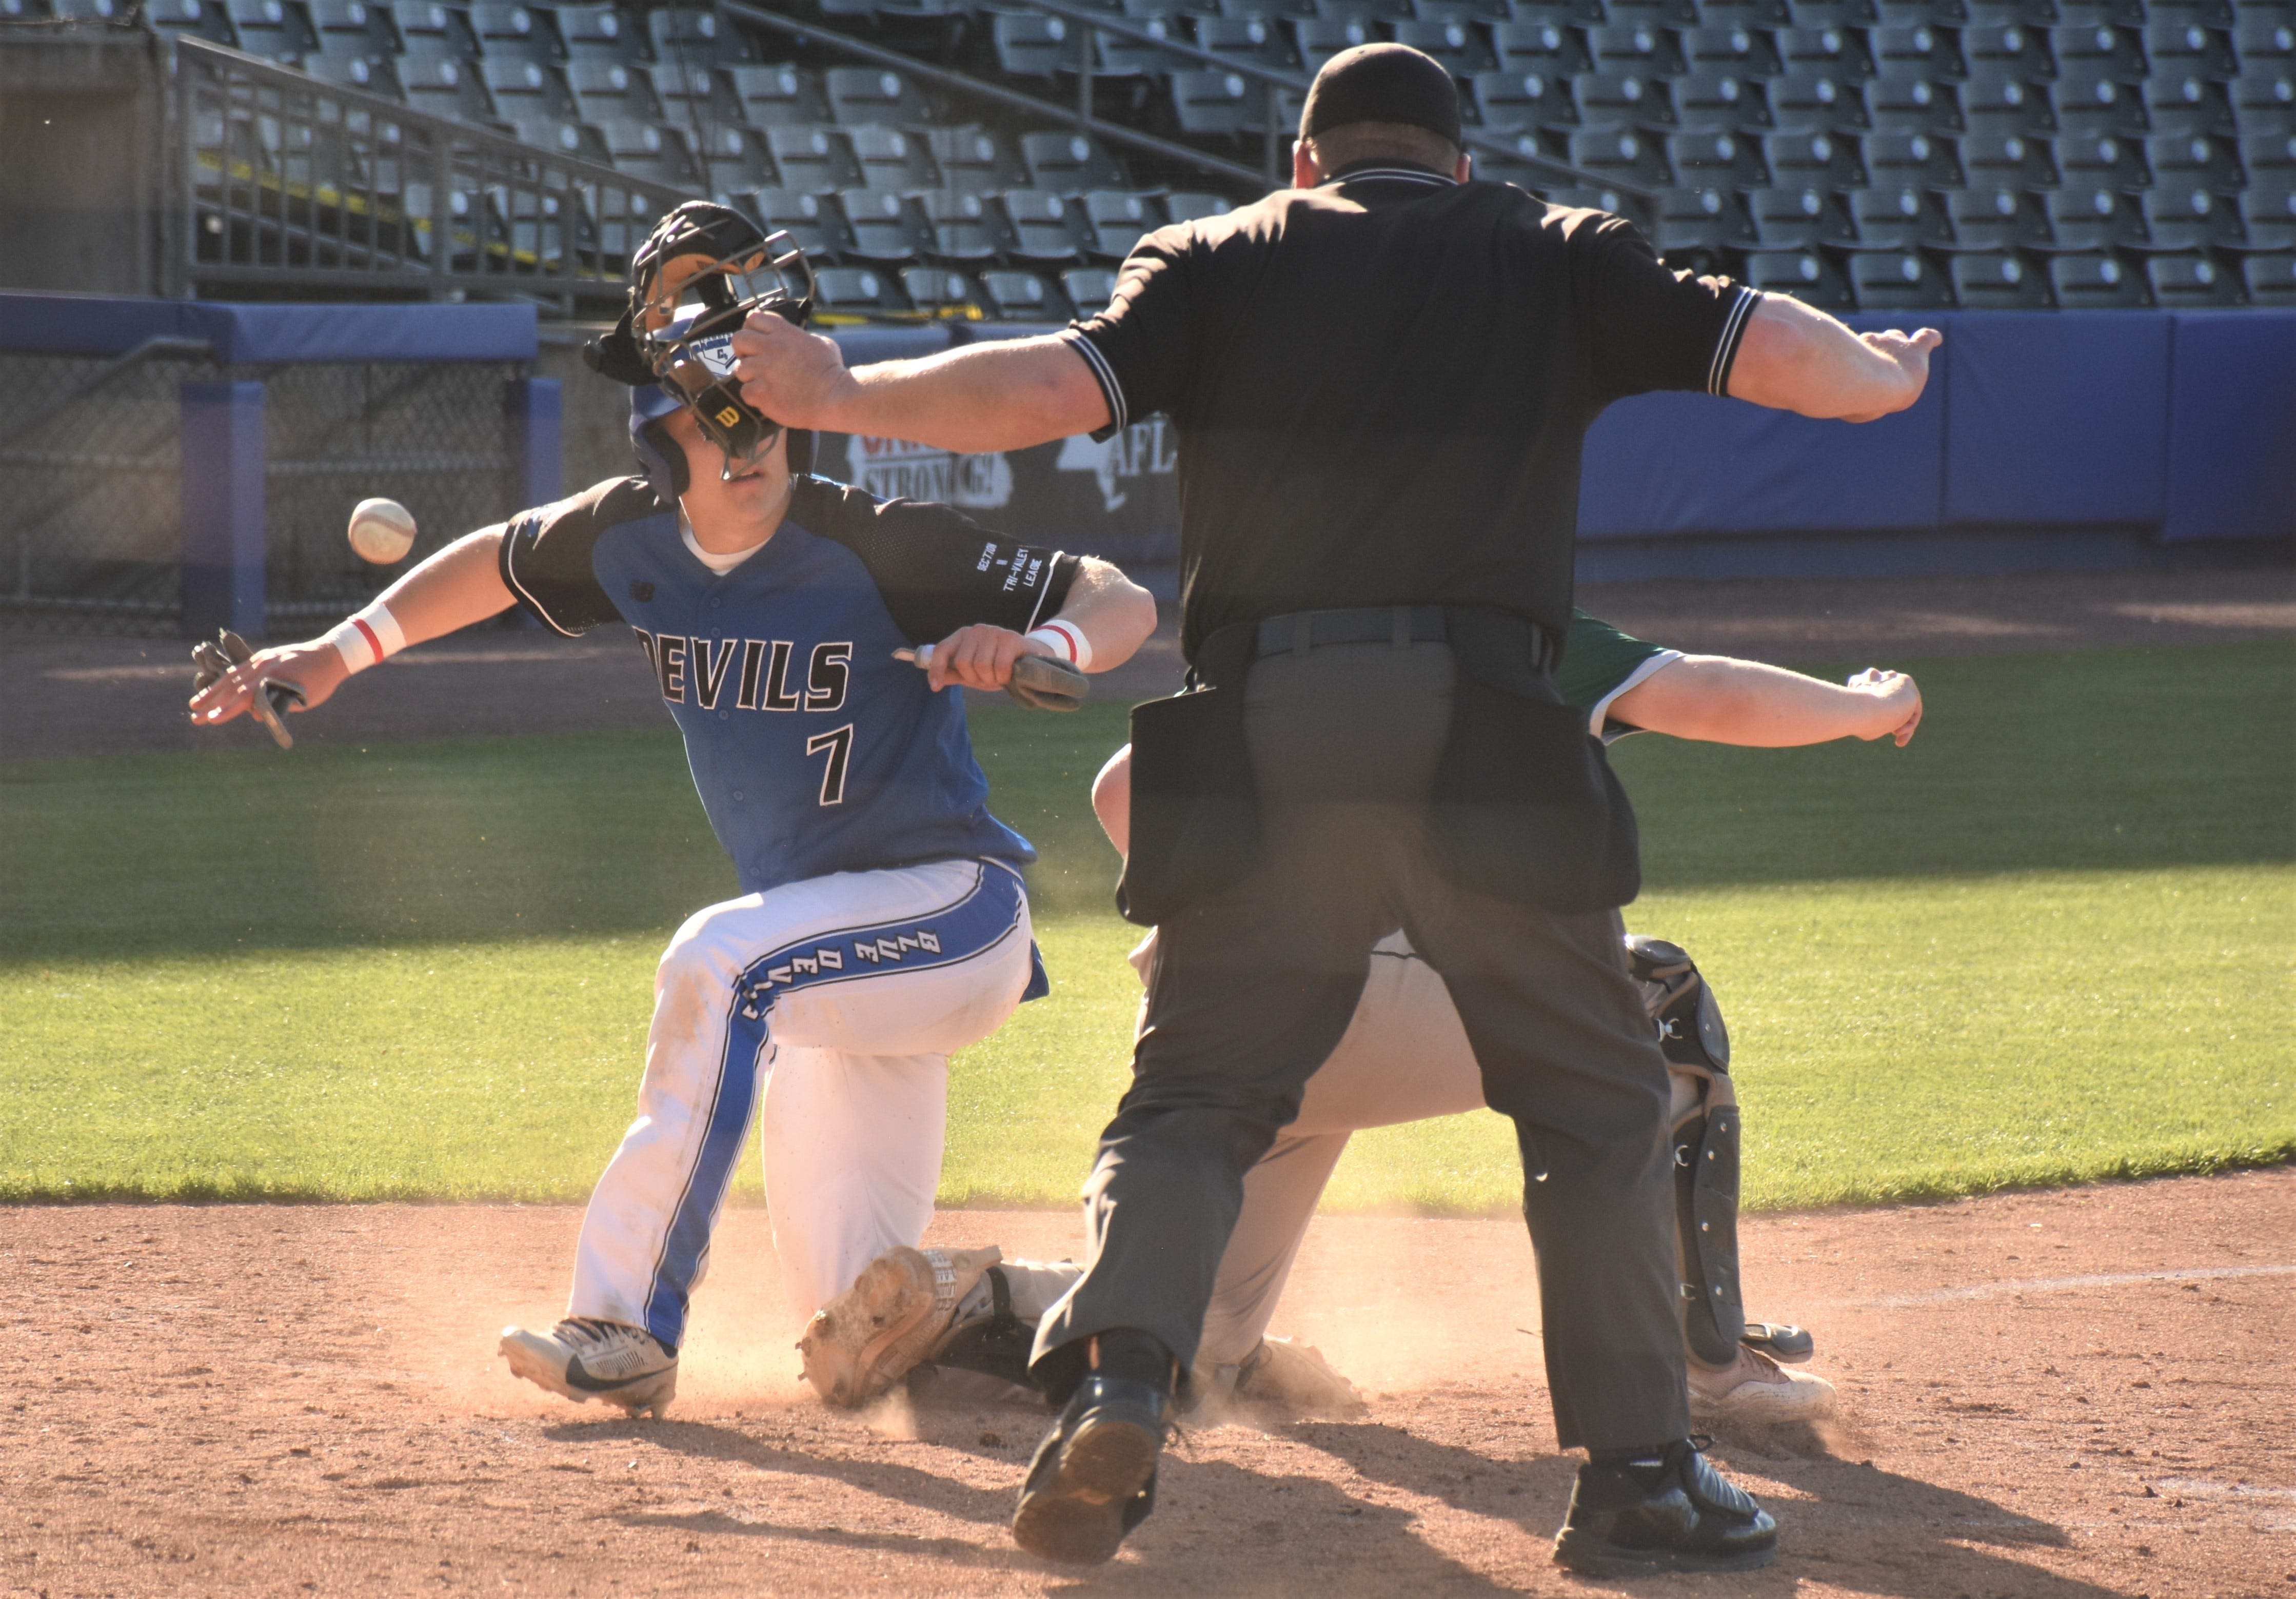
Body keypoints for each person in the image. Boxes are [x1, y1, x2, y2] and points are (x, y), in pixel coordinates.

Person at [731, 44, 1939, 1574]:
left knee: (1190, 1102)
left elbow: (1041, 388)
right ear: (1452, 160)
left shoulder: (1212, 256)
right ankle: (1637, 1470)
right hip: (1488, 734)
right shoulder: (1553, 249)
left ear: (1303, 164)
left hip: (1262, 734)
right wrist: (1887, 376)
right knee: (1596, 1100)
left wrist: (840, 388)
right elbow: (1791, 357)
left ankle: (1115, 1382)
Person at [185, 202, 1157, 1419]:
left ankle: (630, 1321)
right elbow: (495, 557)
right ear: (662, 438)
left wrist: (1041, 644)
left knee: (718, 957)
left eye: (765, 425)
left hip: (955, 915)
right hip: (836, 969)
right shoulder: (630, 541)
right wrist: (336, 650)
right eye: (717, 426)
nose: (748, 448)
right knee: (863, 1331)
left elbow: (1114, 596)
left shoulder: (872, 543)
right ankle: (1136, 1328)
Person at [804, 617, 1924, 1428]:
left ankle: (970, 1300)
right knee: (1663, 996)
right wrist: (1871, 707)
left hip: (1230, 1019)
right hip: (1395, 1005)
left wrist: (1244, 914)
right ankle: (1705, 1362)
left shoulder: (1284, 625)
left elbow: (1118, 786)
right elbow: (1712, 696)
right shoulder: (1496, 615)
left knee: (1202, 1344)